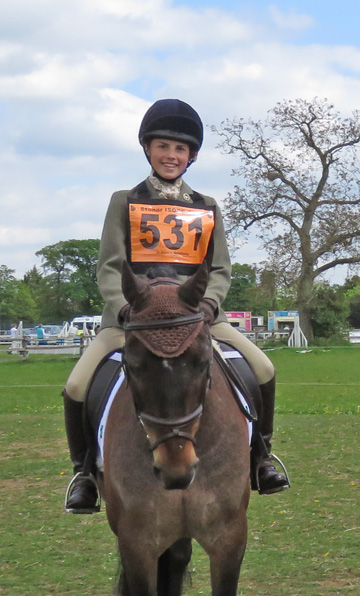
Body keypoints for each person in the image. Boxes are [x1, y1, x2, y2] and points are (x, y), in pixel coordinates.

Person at [62, 99, 289, 513]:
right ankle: (85, 474)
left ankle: (262, 458)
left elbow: (219, 269)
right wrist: (125, 308)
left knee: (264, 368)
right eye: (163, 146)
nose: (171, 155)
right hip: (135, 320)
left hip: (195, 318)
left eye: (180, 149)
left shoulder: (207, 206)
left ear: (192, 156)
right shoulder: (123, 201)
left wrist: (208, 305)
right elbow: (110, 267)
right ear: (148, 149)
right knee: (77, 386)